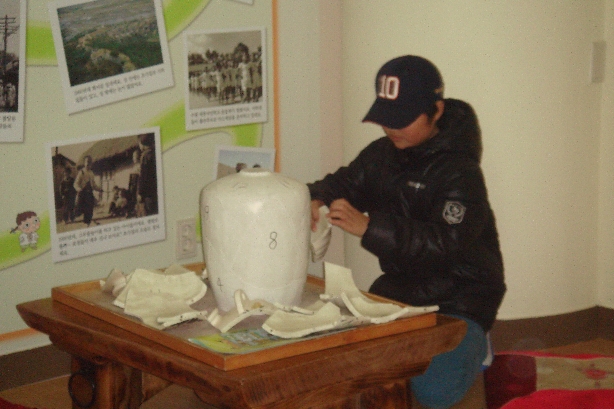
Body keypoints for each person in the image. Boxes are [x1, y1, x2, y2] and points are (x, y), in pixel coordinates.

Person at [308, 55, 506, 409]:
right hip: (400, 295)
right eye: (386, 119)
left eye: (403, 119)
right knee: (336, 361)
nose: (392, 129)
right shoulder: (380, 155)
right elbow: (345, 182)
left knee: (434, 393)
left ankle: (478, 346)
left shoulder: (461, 172)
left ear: (437, 110)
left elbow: (447, 244)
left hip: (461, 298)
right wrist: (315, 197)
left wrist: (369, 227)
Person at [74, 155, 103, 226]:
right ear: (84, 163)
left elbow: (93, 185)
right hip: (82, 193)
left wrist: (99, 189)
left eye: (90, 162)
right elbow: (75, 184)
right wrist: (79, 189)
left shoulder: (91, 173)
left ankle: (88, 223)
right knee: (79, 209)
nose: (88, 164)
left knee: (90, 209)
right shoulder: (81, 172)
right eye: (87, 162)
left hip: (89, 193)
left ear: (91, 164)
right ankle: (80, 217)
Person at [137, 133, 158, 216]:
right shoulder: (154, 153)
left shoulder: (145, 156)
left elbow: (143, 176)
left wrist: (140, 193)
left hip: (148, 193)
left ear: (142, 143)